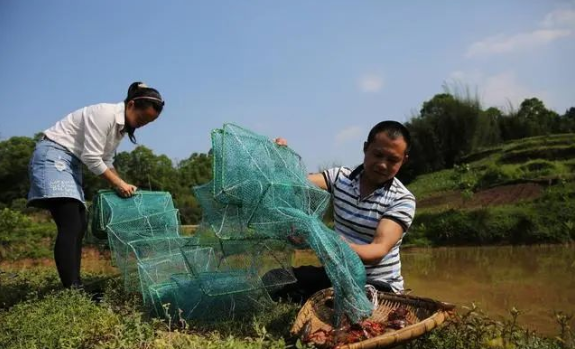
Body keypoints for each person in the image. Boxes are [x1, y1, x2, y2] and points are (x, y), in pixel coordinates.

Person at [27, 82, 165, 289]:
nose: (142, 124)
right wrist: (119, 184)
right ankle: (73, 290)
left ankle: (75, 286)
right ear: (131, 105)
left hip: (71, 163)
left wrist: (122, 183)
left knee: (79, 224)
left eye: (148, 122)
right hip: (54, 156)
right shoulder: (105, 114)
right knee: (71, 223)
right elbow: (92, 158)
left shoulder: (119, 130)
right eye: (142, 118)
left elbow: (106, 160)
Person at [272, 120, 415, 301]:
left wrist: (339, 245)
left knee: (340, 305)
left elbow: (377, 250)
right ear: (365, 148)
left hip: (377, 284)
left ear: (404, 160)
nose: (382, 164)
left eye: (393, 160)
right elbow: (298, 182)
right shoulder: (340, 177)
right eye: (378, 155)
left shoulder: (402, 199)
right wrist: (281, 161)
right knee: (275, 280)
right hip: (338, 273)